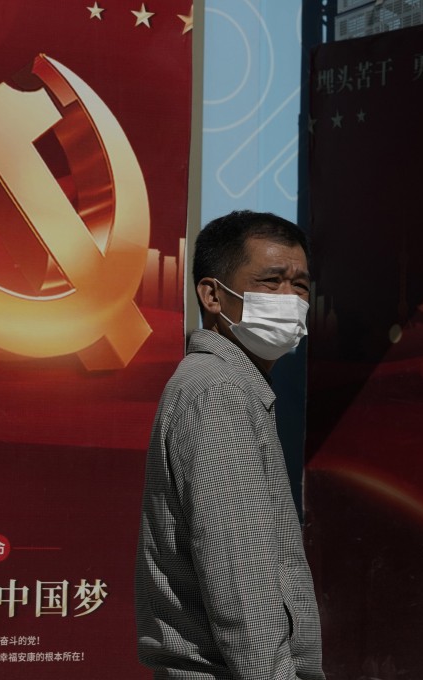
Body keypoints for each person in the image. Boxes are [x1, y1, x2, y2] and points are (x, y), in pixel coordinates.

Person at [135, 211, 324, 680]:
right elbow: (240, 581)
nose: (290, 299)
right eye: (270, 281)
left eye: (300, 285)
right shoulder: (218, 391)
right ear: (213, 294)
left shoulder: (232, 386)